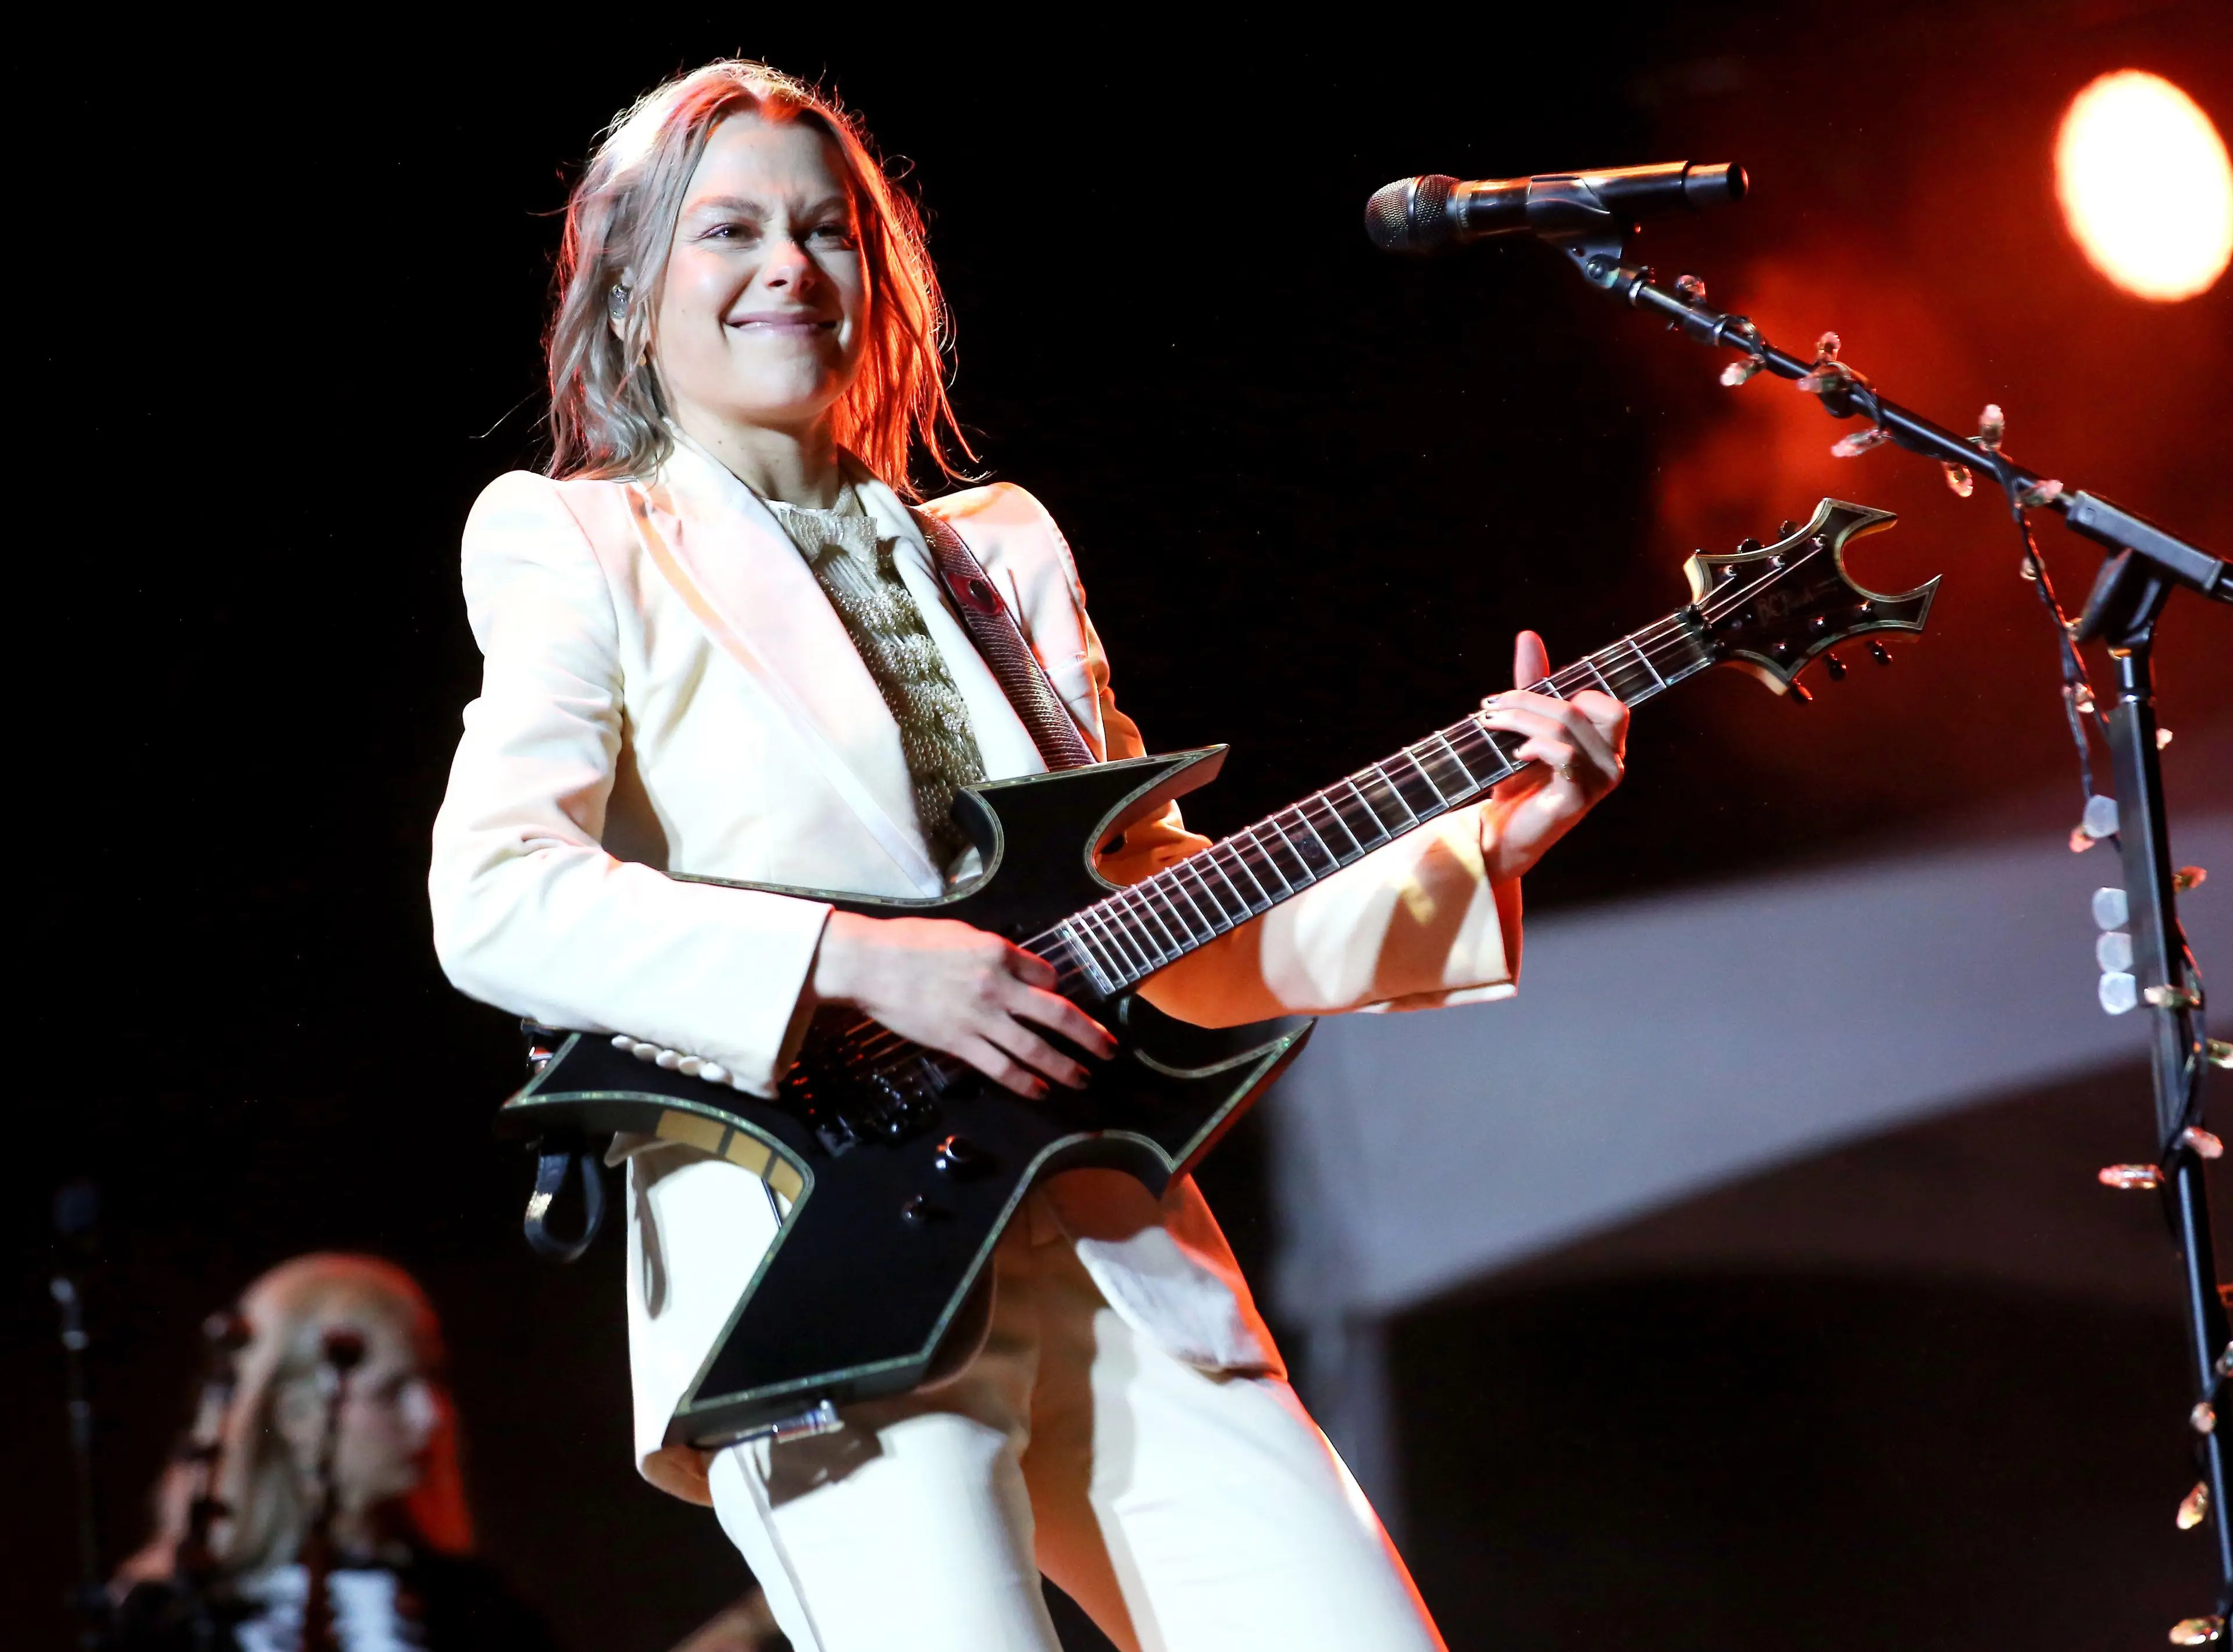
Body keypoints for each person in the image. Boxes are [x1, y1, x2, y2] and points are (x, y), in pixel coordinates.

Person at [427, 59, 1628, 1652]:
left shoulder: (999, 547)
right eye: (728, 232)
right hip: (828, 1260)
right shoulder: (581, 539)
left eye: (828, 228)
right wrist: (865, 962)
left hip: (1111, 1240)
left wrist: (1488, 845)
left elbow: (1156, 912)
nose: (788, 266)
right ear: (632, 285)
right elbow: (495, 895)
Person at [109, 1254, 559, 1652]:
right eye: (391, 1389)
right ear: (295, 1414)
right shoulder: (172, 1618)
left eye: (434, 1380)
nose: (431, 1416)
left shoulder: (478, 1610)